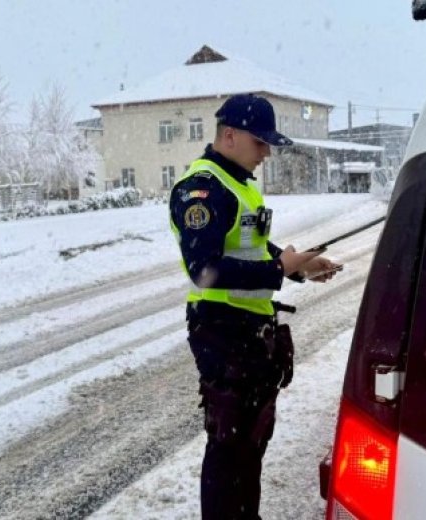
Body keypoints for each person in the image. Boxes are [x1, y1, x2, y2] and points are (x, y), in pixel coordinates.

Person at [168, 93, 341, 519]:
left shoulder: (238, 183)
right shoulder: (202, 188)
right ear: (230, 135)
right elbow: (204, 268)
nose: (266, 152)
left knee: (252, 436)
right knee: (229, 442)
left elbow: (253, 249)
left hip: (248, 331)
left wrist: (299, 267)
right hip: (221, 329)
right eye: (260, 142)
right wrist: (277, 269)